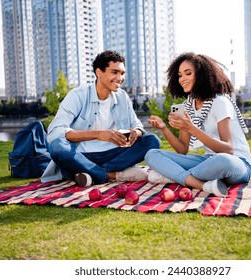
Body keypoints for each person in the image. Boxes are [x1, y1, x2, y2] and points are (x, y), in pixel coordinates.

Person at [41, 50, 161, 186]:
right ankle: (110, 175)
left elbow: (138, 125)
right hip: (81, 155)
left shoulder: (122, 96)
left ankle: (89, 173)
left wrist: (135, 132)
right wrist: (98, 135)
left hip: (114, 154)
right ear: (99, 72)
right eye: (114, 72)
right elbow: (55, 132)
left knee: (152, 141)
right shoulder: (78, 95)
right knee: (57, 147)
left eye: (122, 73)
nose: (120, 78)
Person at [144, 52, 251, 197]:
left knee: (222, 160)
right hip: (207, 161)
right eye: (179, 75)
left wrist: (191, 128)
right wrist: (164, 128)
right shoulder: (188, 106)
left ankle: (173, 175)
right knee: (152, 154)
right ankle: (201, 184)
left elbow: (228, 149)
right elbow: (182, 149)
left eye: (188, 73)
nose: (182, 79)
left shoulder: (220, 102)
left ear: (201, 75)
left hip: (236, 163)